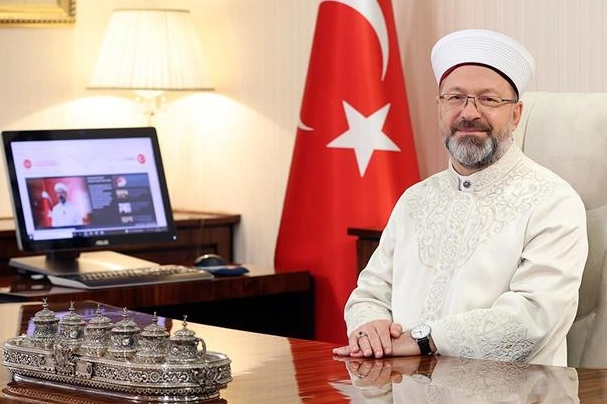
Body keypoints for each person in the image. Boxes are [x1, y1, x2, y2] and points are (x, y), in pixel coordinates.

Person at [332, 29, 588, 366]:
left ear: (515, 114)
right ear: (439, 108)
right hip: (400, 384)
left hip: (515, 390)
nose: (469, 113)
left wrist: (422, 340)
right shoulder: (415, 200)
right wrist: (370, 326)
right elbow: (371, 290)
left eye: (488, 99)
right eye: (455, 98)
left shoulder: (553, 202)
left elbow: (532, 319)